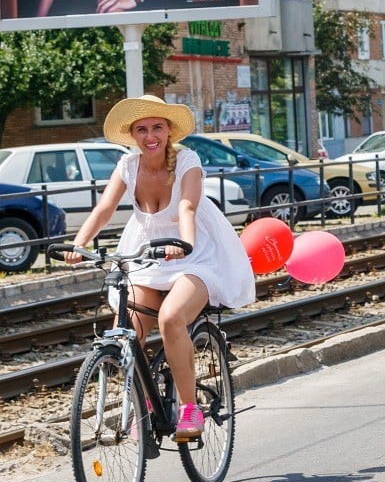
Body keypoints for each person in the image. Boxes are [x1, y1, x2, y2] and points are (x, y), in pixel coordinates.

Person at [64, 95, 256, 440]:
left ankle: (189, 408)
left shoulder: (187, 160)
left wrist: (183, 245)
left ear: (168, 131)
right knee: (127, 329)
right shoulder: (128, 166)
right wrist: (79, 244)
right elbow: (105, 207)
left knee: (170, 319)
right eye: (142, 129)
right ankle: (145, 404)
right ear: (133, 135)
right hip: (148, 255)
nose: (150, 135)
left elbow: (187, 207)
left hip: (195, 253)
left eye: (157, 127)